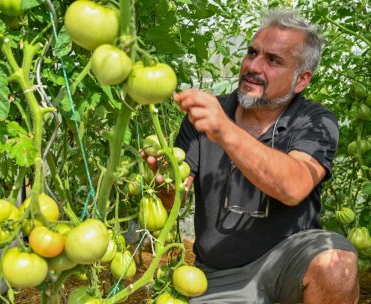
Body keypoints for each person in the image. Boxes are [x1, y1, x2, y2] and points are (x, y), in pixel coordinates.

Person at [144, 9, 359, 304]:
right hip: (219, 273)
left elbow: (294, 186)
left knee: (336, 266)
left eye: (273, 60)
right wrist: (163, 181)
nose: (253, 66)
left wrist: (224, 130)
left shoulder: (315, 121)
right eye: (252, 53)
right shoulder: (205, 118)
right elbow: (172, 203)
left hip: (290, 262)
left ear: (301, 80)